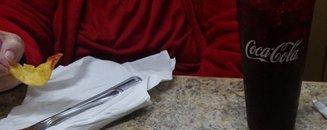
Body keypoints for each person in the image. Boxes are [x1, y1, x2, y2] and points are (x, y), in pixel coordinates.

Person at [0, 0, 242, 92]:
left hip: (188, 99)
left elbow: (238, 41)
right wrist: (10, 54)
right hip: (74, 112)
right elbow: (20, 16)